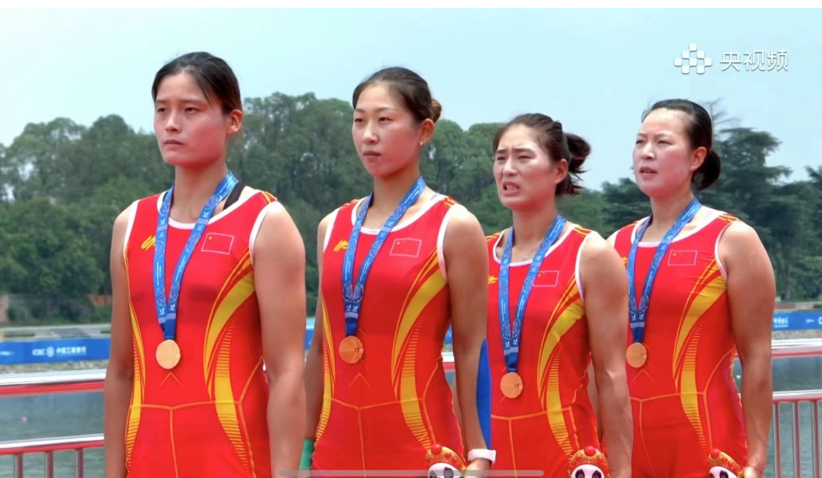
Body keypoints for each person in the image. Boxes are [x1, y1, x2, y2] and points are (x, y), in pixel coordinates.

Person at [103, 52, 307, 478]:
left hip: (236, 461)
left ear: (233, 121)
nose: (171, 124)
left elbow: (286, 371)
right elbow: (121, 370)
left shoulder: (265, 223)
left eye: (190, 110)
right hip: (147, 462)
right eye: (162, 110)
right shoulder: (130, 224)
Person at [301, 66, 494, 476]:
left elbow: (470, 349)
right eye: (359, 120)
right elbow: (319, 349)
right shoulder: (331, 227)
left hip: (423, 453)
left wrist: (479, 453)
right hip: (334, 455)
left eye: (384, 120)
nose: (368, 135)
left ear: (424, 131)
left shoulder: (453, 227)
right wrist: (302, 451)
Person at [609, 99, 774, 478]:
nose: (646, 152)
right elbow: (597, 364)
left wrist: (755, 459)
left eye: (663, 142)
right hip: (626, 449)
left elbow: (756, 357)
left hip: (708, 443)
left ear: (696, 157)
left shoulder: (732, 240)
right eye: (640, 141)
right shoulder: (613, 246)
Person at [485, 114, 633, 478]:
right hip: (489, 459)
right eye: (501, 158)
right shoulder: (476, 256)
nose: (508, 169)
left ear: (558, 170)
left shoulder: (591, 255)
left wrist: (622, 471)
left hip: (566, 458)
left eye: (523, 157)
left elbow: (611, 377)